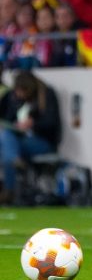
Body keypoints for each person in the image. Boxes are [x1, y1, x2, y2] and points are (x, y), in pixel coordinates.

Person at [0, 71, 61, 204]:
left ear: (28, 89)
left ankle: (9, 190)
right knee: (6, 137)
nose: (19, 94)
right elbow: (7, 120)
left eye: (21, 91)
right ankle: (15, 161)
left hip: (42, 142)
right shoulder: (14, 98)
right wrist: (15, 123)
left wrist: (33, 124)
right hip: (18, 141)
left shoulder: (46, 95)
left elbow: (52, 123)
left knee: (6, 147)